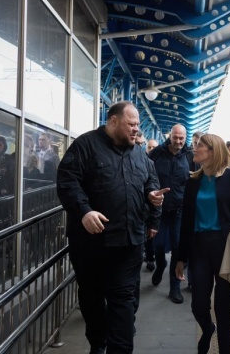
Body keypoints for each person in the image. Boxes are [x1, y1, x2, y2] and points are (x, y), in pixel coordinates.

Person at [56, 101, 167, 354]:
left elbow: (150, 180)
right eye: (131, 124)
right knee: (91, 298)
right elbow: (67, 181)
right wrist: (84, 211)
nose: (136, 130)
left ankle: (119, 347)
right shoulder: (86, 146)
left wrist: (152, 195)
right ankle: (98, 342)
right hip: (91, 245)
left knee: (123, 300)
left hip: (128, 243)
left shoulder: (140, 153)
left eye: (138, 125)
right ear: (113, 121)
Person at [175, 133, 230, 354]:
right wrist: (180, 258)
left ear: (213, 151)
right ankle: (207, 328)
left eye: (200, 146)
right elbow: (186, 222)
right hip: (199, 247)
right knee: (198, 305)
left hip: (225, 247)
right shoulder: (192, 182)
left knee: (223, 307)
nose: (195, 149)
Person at [148, 124, 193, 304]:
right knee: (158, 244)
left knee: (177, 247)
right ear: (170, 136)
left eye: (182, 138)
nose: (179, 141)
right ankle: (160, 265)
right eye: (176, 137)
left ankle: (175, 287)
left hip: (179, 210)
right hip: (159, 210)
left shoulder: (189, 156)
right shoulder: (157, 153)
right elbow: (146, 175)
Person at [143, 138, 160, 271]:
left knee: (152, 236)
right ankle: (149, 257)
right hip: (144, 210)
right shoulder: (142, 161)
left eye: (154, 147)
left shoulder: (156, 163)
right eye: (150, 147)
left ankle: (153, 258)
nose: (152, 150)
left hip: (155, 205)